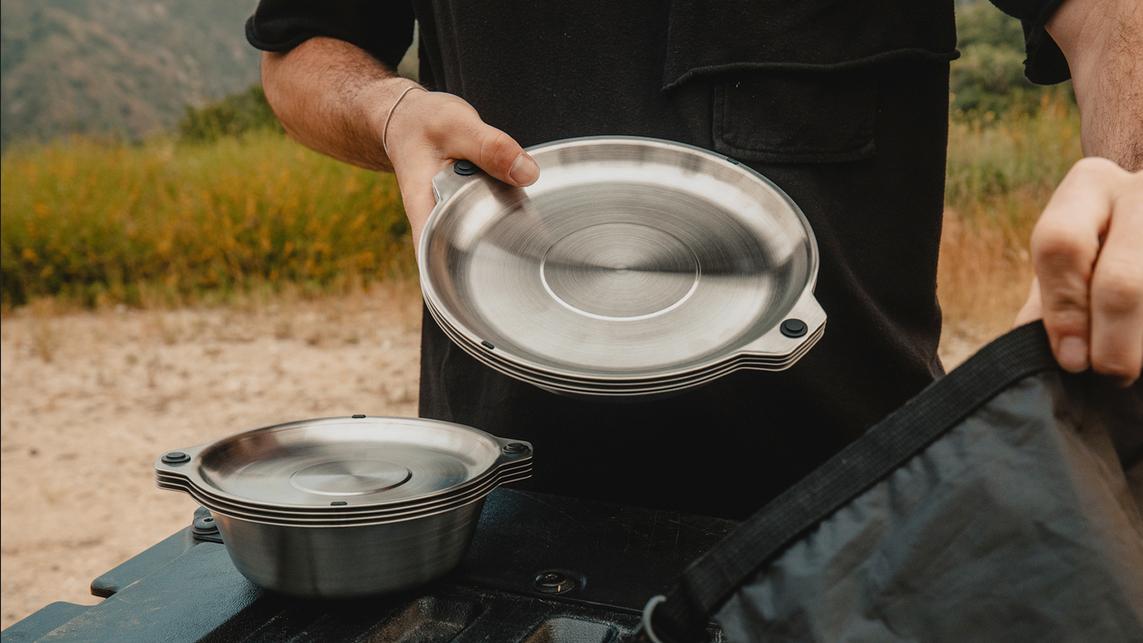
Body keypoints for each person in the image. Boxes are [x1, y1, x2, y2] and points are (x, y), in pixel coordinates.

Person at [245, 0, 1142, 519]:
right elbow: (301, 49)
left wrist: (1129, 180)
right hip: (504, 491)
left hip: (861, 497)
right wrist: (390, 112)